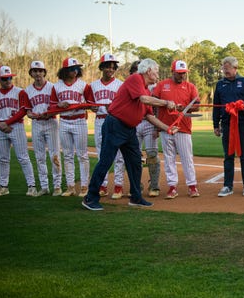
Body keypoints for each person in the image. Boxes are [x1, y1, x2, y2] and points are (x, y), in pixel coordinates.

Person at [82, 58, 177, 211]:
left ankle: (136, 197)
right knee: (106, 161)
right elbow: (144, 99)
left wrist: (168, 128)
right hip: (115, 125)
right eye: (156, 71)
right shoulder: (135, 79)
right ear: (148, 71)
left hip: (129, 129)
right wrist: (166, 103)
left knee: (135, 163)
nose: (158, 74)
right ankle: (90, 198)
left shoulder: (146, 89)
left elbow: (149, 116)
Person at [0, 65, 38, 197]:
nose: (8, 80)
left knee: (23, 158)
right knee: (3, 159)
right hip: (0, 129)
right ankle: (3, 187)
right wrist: (0, 124)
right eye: (4, 78)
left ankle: (31, 186)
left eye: (9, 77)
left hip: (16, 127)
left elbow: (23, 110)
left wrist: (7, 123)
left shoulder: (20, 92)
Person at [153, 60, 200, 199]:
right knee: (169, 158)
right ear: (172, 72)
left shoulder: (190, 87)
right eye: (179, 73)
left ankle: (192, 186)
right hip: (166, 128)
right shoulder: (162, 85)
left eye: (184, 73)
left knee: (187, 158)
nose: (182, 76)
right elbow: (153, 103)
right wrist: (157, 125)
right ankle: (172, 186)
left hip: (183, 128)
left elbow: (197, 105)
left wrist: (184, 107)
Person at [50, 57, 95, 197]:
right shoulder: (56, 86)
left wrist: (80, 105)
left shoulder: (83, 85)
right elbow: (51, 105)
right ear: (65, 70)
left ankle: (84, 186)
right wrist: (58, 105)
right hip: (64, 120)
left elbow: (91, 103)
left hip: (79, 120)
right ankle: (70, 187)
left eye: (76, 68)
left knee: (82, 155)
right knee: (68, 155)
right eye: (71, 69)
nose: (75, 71)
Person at [212, 56, 244, 197]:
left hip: (242, 124)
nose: (225, 71)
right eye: (223, 68)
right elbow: (216, 107)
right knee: (228, 155)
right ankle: (227, 186)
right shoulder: (220, 84)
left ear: (235, 68)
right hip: (226, 124)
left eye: (227, 68)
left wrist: (242, 105)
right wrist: (215, 125)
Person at [24, 60, 63, 196]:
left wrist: (50, 113)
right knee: (39, 156)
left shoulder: (52, 87)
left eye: (40, 71)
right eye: (35, 71)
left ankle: (57, 186)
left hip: (51, 122)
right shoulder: (27, 90)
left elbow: (58, 107)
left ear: (44, 72)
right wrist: (31, 115)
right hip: (37, 124)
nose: (38, 73)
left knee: (54, 155)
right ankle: (44, 186)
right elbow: (27, 111)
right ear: (31, 73)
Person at [91, 53, 125, 199]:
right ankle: (102, 185)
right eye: (107, 66)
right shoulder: (93, 85)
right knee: (101, 154)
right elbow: (90, 103)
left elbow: (124, 104)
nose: (110, 69)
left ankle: (118, 186)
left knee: (118, 155)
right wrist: (91, 107)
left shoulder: (120, 85)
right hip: (99, 120)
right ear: (102, 67)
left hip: (115, 120)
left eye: (113, 67)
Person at [130, 60, 161, 197]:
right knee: (134, 155)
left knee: (152, 155)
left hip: (149, 121)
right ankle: (136, 185)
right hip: (135, 122)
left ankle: (154, 185)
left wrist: (157, 127)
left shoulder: (154, 86)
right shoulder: (132, 82)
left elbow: (156, 107)